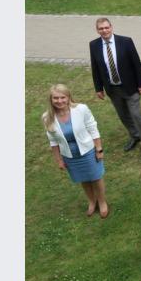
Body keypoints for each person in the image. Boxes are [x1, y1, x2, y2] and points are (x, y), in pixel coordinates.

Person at [89, 17, 141, 157]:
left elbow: (136, 63)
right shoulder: (94, 45)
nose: (104, 30)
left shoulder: (125, 41)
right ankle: (134, 135)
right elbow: (95, 68)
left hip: (130, 86)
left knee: (136, 115)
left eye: (106, 27)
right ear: (97, 30)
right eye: (101, 28)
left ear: (111, 27)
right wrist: (98, 88)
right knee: (123, 115)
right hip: (113, 88)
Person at [42, 84, 109, 218]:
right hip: (69, 155)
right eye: (56, 98)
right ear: (51, 100)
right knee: (83, 179)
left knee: (96, 177)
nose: (59, 101)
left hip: (88, 151)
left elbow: (92, 128)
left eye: (63, 97)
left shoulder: (81, 109)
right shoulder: (47, 117)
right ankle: (91, 201)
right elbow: (53, 141)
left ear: (68, 97)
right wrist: (59, 160)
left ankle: (102, 202)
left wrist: (99, 149)